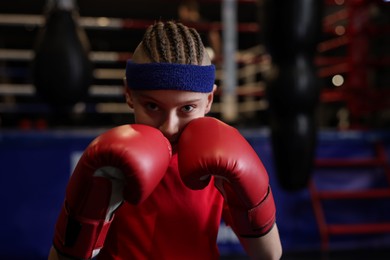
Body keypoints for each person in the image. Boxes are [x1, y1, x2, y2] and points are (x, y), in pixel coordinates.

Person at [48, 21, 282, 260]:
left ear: (209, 100)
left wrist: (250, 199)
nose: (169, 126)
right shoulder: (110, 162)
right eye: (152, 106)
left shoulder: (219, 159)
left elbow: (270, 255)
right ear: (129, 94)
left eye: (187, 108)